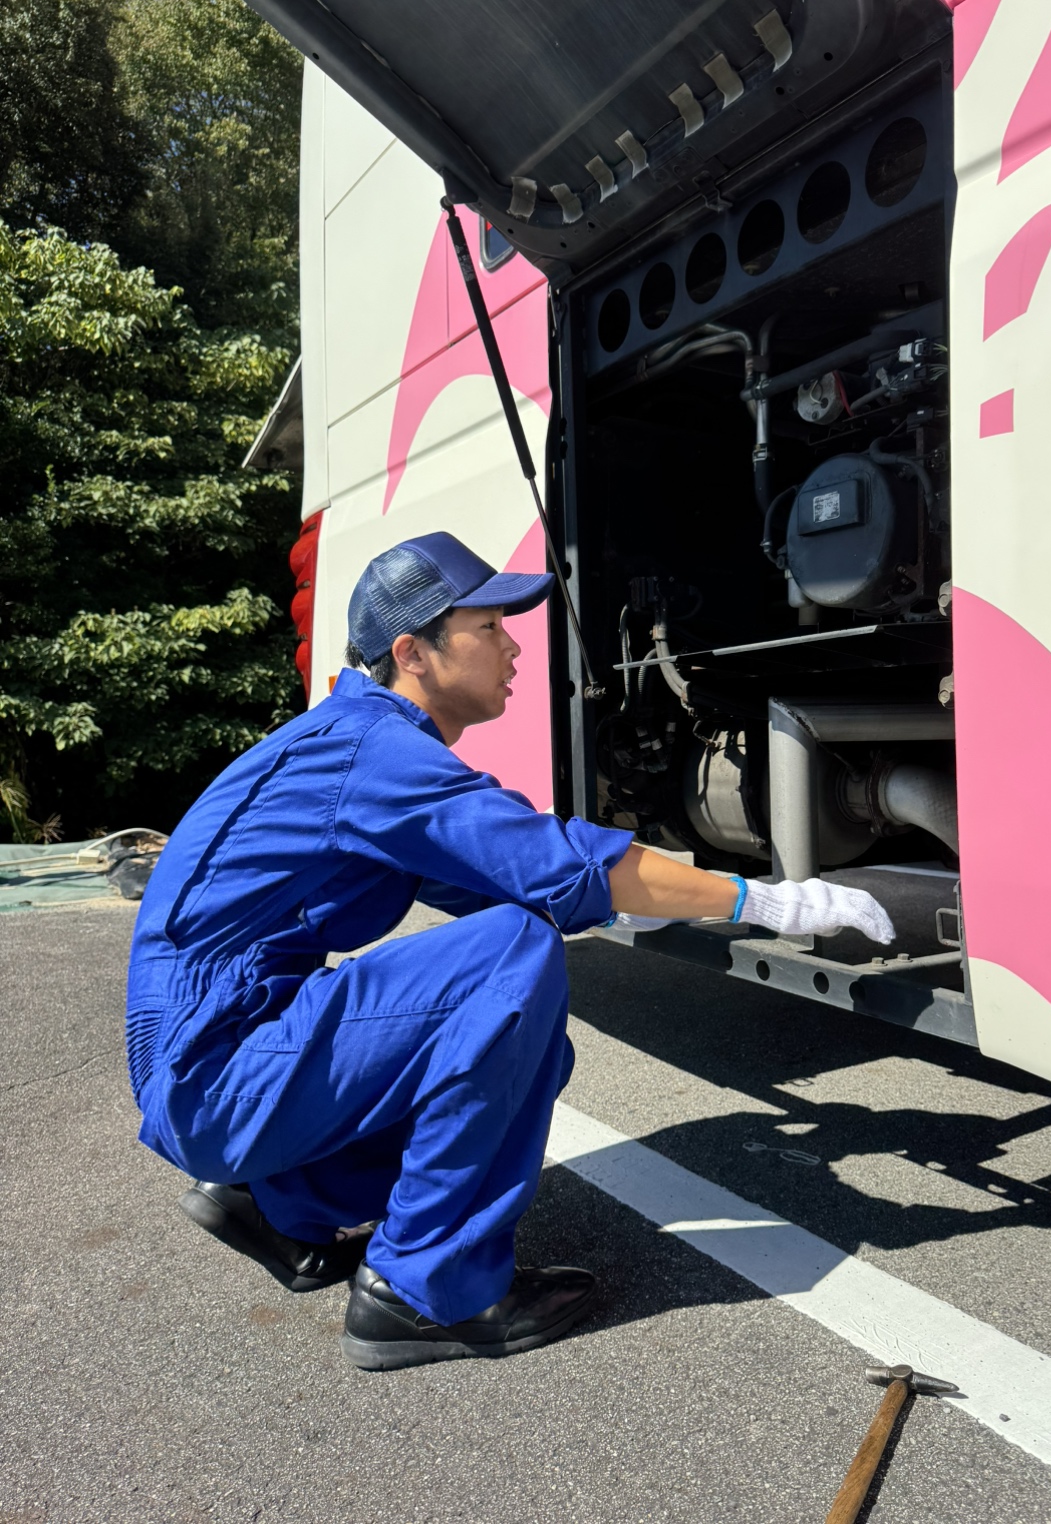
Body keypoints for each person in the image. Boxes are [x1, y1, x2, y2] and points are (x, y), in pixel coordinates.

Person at [126, 531, 893, 1372]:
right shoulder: (370, 752)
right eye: (488, 627)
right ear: (412, 652)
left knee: (527, 1045)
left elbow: (506, 881)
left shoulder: (351, 741)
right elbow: (550, 868)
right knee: (508, 959)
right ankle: (426, 1291)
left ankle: (284, 1206)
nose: (514, 644)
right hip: (213, 1072)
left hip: (216, 1057)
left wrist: (622, 903)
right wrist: (770, 899)